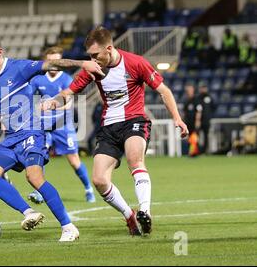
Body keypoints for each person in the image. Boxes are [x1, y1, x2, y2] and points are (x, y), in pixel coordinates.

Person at [43, 26, 188, 236]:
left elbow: (164, 91)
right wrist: (54, 102)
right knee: (99, 180)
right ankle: (130, 215)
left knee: (135, 159)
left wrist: (177, 118)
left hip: (134, 121)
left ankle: (145, 211)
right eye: (89, 56)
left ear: (109, 49)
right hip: (108, 127)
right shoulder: (93, 69)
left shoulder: (136, 63)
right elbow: (68, 92)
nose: (92, 60)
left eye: (95, 55)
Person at [0, 31, 103, 242]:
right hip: (11, 138)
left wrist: (83, 63)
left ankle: (68, 227)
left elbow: (52, 65)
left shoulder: (20, 67)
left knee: (34, 177)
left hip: (32, 132)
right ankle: (29, 213)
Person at [26, 46, 96, 204]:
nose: (54, 63)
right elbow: (30, 100)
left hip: (62, 126)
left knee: (73, 160)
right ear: (46, 61)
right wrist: (35, 107)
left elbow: (69, 104)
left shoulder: (66, 79)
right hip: (44, 126)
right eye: (51, 60)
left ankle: (88, 188)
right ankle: (39, 191)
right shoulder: (38, 79)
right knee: (39, 156)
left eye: (57, 60)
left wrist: (50, 106)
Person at [197, 83, 216, 154]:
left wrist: (209, 115)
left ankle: (205, 150)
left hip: (206, 121)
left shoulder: (209, 97)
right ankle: (197, 150)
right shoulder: (198, 98)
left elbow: (214, 107)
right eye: (202, 88)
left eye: (204, 88)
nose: (203, 89)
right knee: (197, 136)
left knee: (206, 136)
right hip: (198, 121)